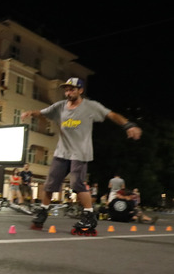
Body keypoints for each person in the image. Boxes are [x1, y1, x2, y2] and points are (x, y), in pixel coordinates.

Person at [21, 77, 142, 232]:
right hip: (62, 152)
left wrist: (128, 125)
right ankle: (42, 212)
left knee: (76, 184)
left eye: (72, 89)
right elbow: (43, 112)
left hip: (80, 153)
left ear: (80, 90)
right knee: (50, 185)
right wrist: (30, 113)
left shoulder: (90, 106)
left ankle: (89, 216)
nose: (68, 92)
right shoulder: (60, 107)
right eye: (66, 89)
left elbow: (111, 115)